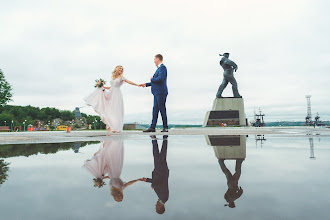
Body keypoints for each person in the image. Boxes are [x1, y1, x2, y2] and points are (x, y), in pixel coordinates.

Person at [84, 65, 143, 133]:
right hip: (110, 93)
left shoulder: (122, 78)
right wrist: (103, 87)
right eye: (120, 68)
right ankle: (110, 124)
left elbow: (129, 82)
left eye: (122, 69)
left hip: (117, 94)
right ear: (117, 69)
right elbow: (111, 87)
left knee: (116, 110)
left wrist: (137, 84)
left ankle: (116, 127)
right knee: (109, 109)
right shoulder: (113, 77)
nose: (121, 69)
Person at [140, 54, 168, 132]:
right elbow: (156, 81)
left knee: (162, 109)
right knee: (155, 109)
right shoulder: (158, 69)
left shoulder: (163, 68)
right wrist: (146, 84)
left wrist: (152, 79)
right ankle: (152, 127)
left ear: (158, 59)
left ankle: (165, 127)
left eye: (155, 59)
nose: (154, 61)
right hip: (156, 93)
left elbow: (160, 79)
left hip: (161, 92)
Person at [141, 135, 169, 214]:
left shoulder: (161, 198)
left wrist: (150, 182)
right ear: (160, 207)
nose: (155, 205)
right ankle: (164, 138)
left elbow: (157, 183)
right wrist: (152, 184)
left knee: (156, 155)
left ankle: (154, 139)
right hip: (162, 171)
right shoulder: (164, 198)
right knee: (162, 154)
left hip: (158, 171)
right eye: (156, 207)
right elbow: (160, 184)